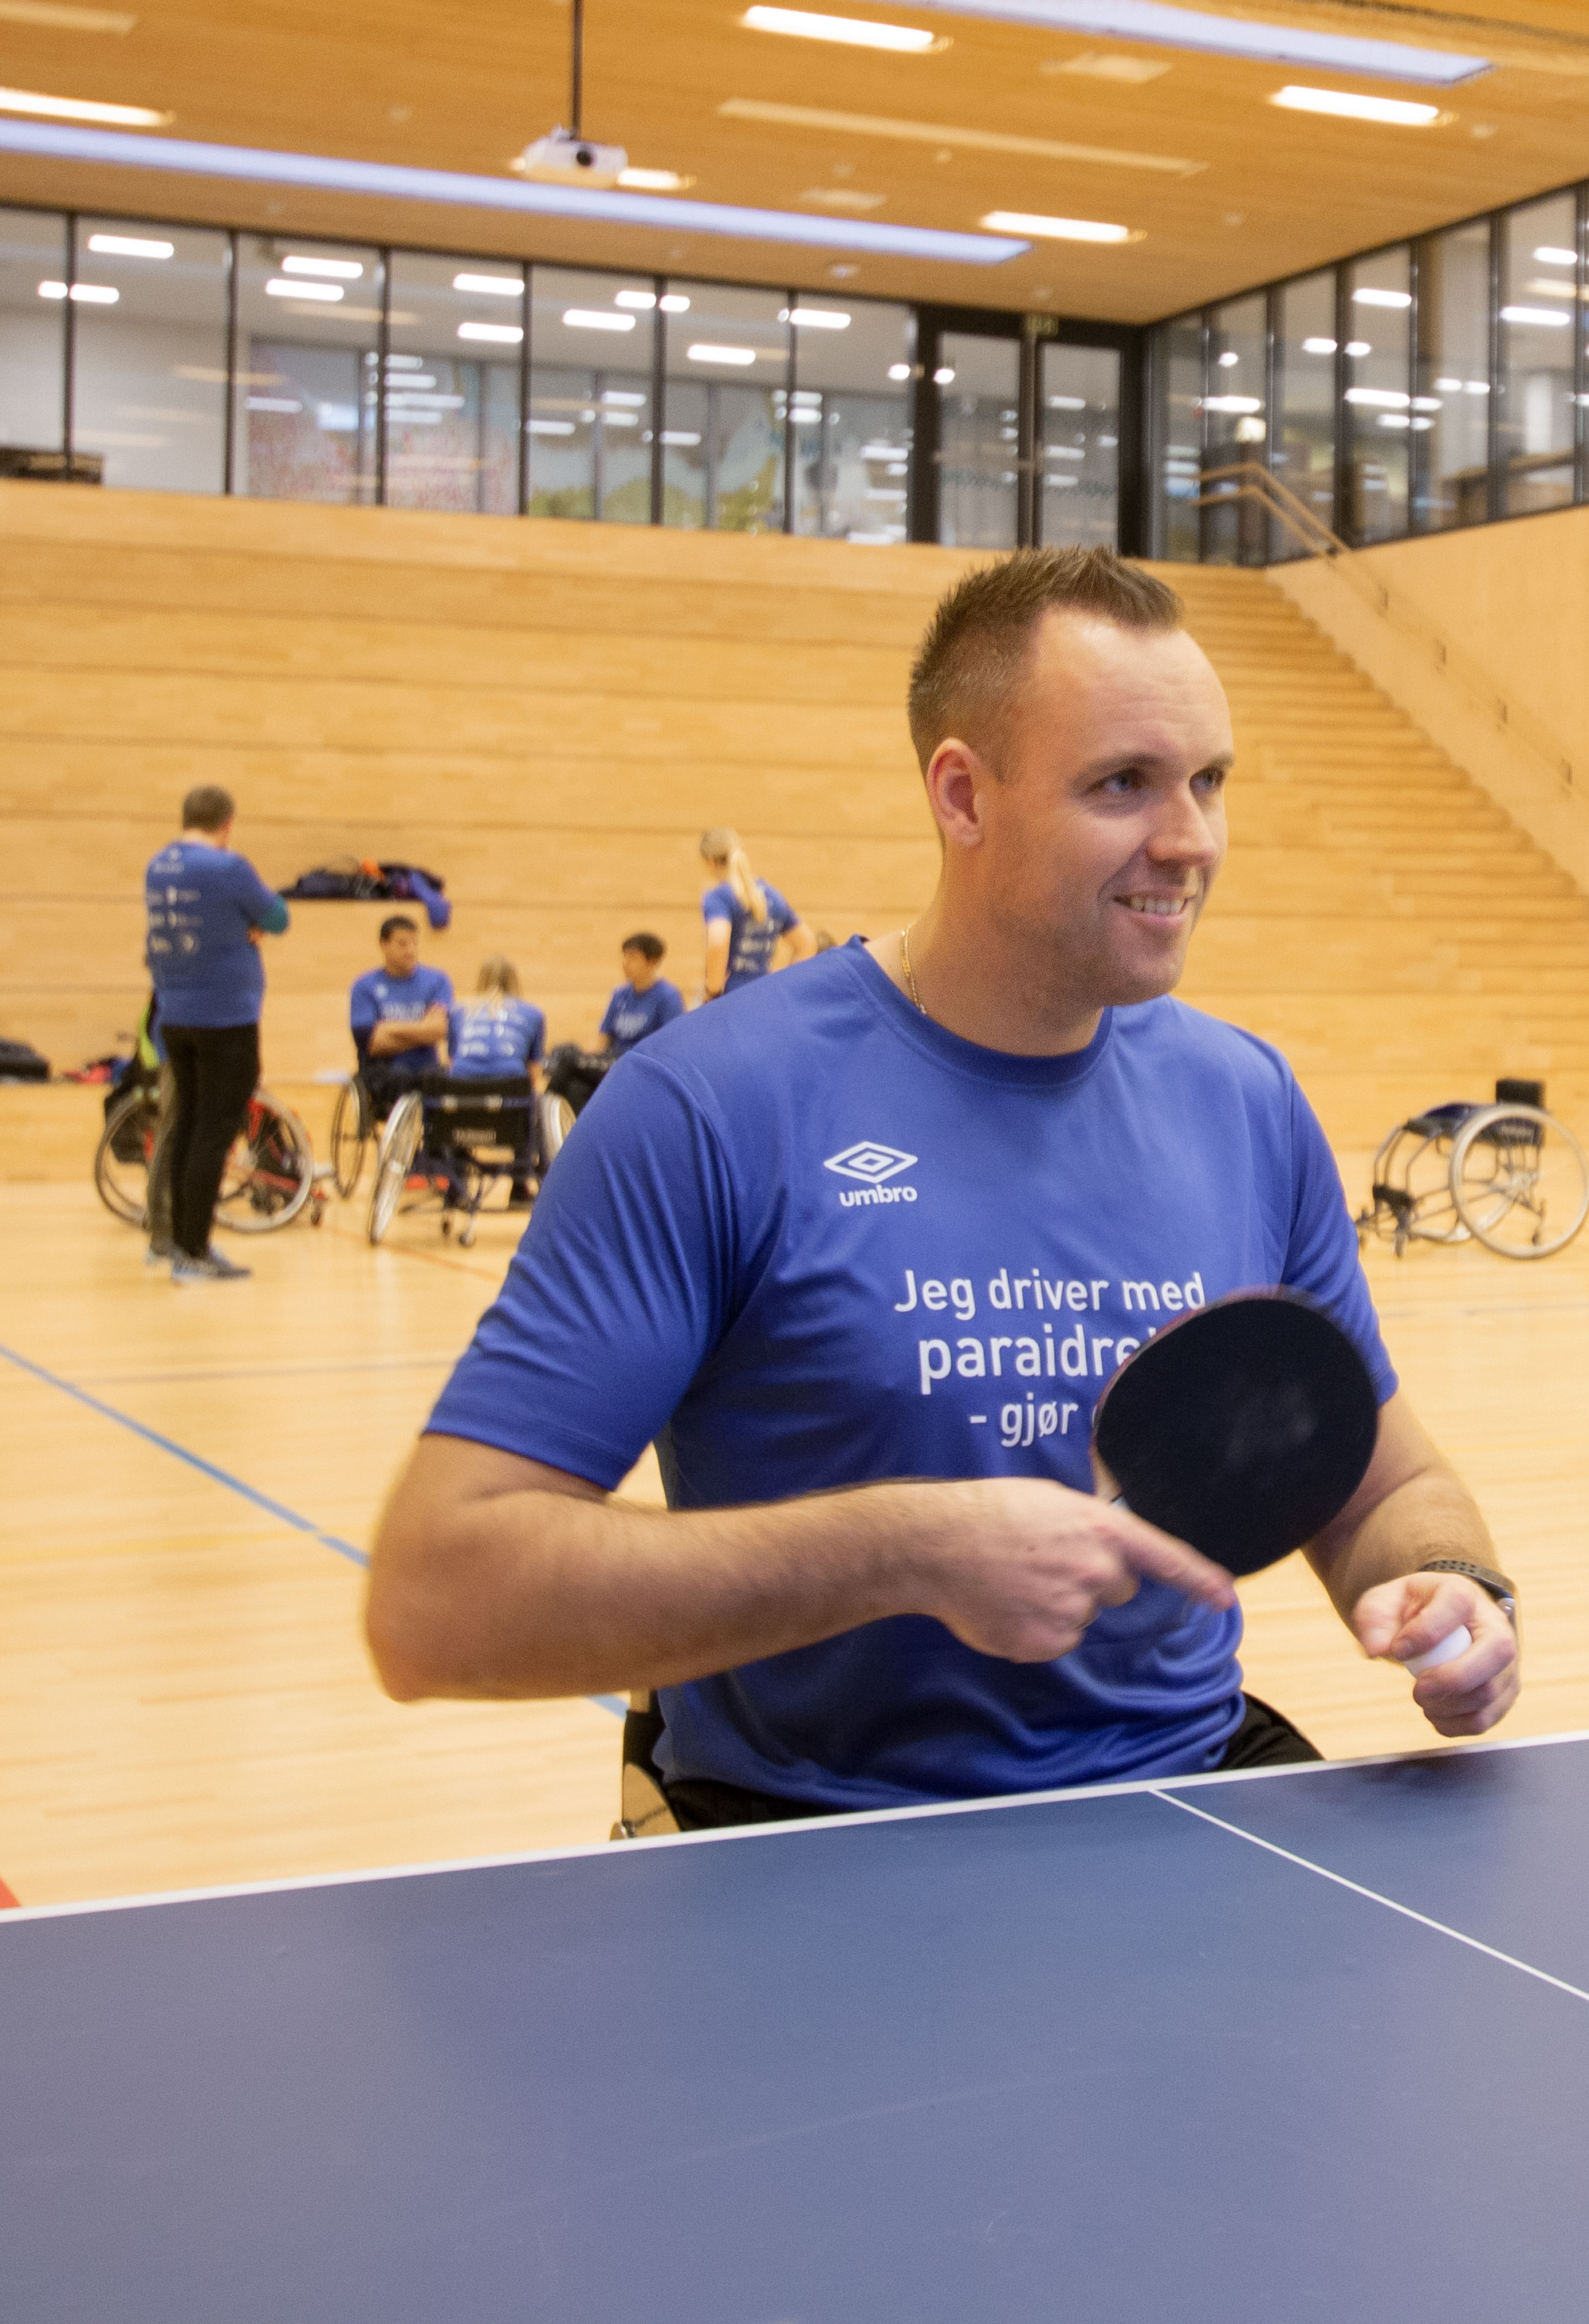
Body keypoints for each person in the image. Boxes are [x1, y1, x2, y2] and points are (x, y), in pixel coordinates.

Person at [368, 547, 1519, 1831]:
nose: (1187, 840)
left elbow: (1383, 1488)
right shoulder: (708, 1108)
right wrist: (904, 1552)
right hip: (809, 1833)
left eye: (1207, 781)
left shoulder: (1244, 1100)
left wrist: (1449, 1584)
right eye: (1122, 784)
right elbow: (435, 1603)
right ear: (962, 795)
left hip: (1186, 1799)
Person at [142, 784, 285, 1281]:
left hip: (174, 1014)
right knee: (213, 1132)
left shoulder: (158, 866)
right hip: (225, 1018)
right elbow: (277, 916)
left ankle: (178, 1242)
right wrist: (253, 924)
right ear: (227, 823)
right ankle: (195, 1250)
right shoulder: (228, 867)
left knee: (185, 1127)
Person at [347, 914, 454, 1120]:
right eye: (403, 944)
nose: (411, 950)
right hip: (382, 1069)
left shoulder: (437, 980)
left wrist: (387, 1028)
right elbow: (371, 1042)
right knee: (400, 1076)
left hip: (425, 1066)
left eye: (414, 943)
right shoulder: (364, 986)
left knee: (441, 1078)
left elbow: (439, 1030)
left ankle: (444, 1148)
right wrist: (422, 1028)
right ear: (384, 945)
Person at [692, 827, 808, 1001]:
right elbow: (806, 943)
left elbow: (718, 942)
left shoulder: (718, 897)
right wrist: (784, 987)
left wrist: (713, 991)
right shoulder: (772, 895)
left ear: (710, 861)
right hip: (763, 996)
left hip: (730, 998)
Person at [584, 932, 686, 1062]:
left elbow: (671, 1042)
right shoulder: (620, 994)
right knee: (566, 1053)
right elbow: (604, 1036)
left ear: (652, 961)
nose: (625, 963)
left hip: (642, 1062)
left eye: (633, 957)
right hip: (614, 1060)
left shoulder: (667, 996)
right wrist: (587, 1059)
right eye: (625, 957)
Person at [446, 956, 545, 1081]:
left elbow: (452, 1062)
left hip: (461, 1086)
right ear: (514, 980)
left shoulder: (458, 1011)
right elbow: (534, 1070)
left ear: (481, 980)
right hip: (511, 1086)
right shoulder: (533, 1013)